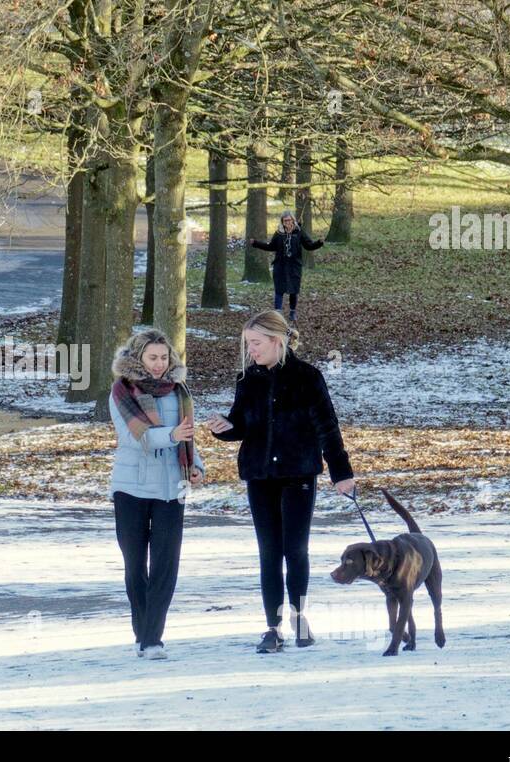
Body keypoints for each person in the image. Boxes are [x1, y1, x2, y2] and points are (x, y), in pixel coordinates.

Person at [204, 310, 356, 654]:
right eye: (248, 344)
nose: (251, 351)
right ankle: (272, 628)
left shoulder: (308, 377)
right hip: (260, 475)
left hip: (298, 473)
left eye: (256, 343)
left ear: (277, 341)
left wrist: (341, 473)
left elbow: (327, 427)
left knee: (295, 549)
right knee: (269, 553)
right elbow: (243, 424)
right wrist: (226, 428)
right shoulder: (248, 379)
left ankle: (300, 618)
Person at [108, 328, 205, 661]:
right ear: (139, 358)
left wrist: (196, 466)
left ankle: (152, 639)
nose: (159, 364)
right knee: (136, 565)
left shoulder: (180, 392)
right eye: (152, 358)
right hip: (130, 489)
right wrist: (173, 435)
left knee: (166, 565)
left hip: (171, 489)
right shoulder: (122, 392)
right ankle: (143, 632)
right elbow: (137, 438)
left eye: (164, 357)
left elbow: (189, 437)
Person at [248, 211, 323, 323]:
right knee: (279, 290)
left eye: (289, 220)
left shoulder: (299, 232)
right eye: (285, 221)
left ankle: (292, 312)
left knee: (293, 290)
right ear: (282, 222)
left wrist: (319, 243)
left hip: (294, 266)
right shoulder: (279, 233)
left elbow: (309, 246)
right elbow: (271, 247)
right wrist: (256, 243)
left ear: (293, 220)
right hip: (280, 266)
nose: (287, 222)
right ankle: (278, 314)